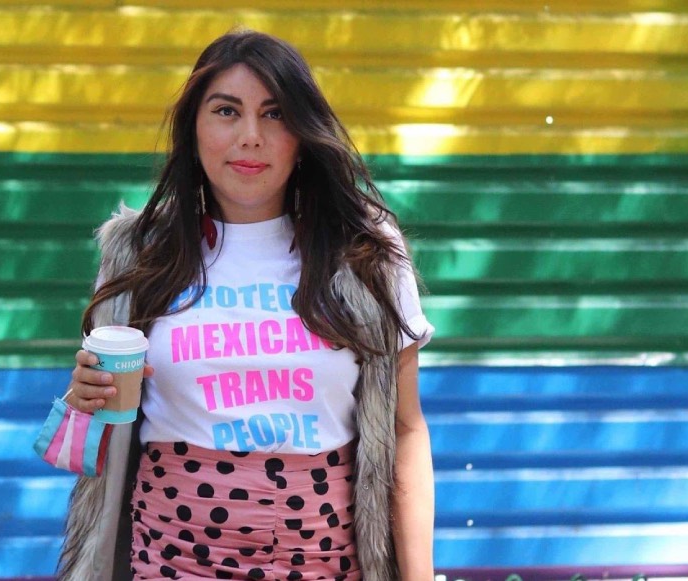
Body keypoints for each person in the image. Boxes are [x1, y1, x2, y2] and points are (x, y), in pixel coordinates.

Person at [58, 29, 436, 581]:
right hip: (171, 564)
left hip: (325, 565)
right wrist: (84, 399)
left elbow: (405, 431)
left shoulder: (364, 253)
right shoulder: (139, 254)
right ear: (194, 128)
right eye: (226, 112)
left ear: (303, 132)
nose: (250, 137)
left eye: (275, 114)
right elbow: (103, 440)